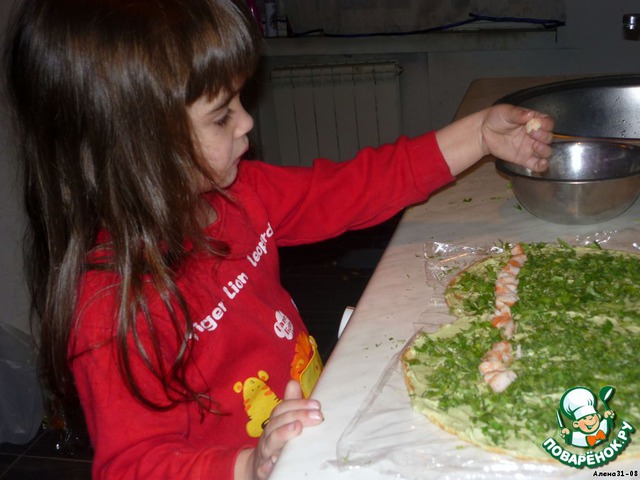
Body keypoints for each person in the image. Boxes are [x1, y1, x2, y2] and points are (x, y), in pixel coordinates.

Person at [3, 0, 553, 479]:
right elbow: (131, 466)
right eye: (221, 116)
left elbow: (355, 187)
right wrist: (248, 466)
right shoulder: (111, 309)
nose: (247, 122)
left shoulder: (241, 193)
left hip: (307, 433)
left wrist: (478, 134)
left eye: (239, 101)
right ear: (136, 145)